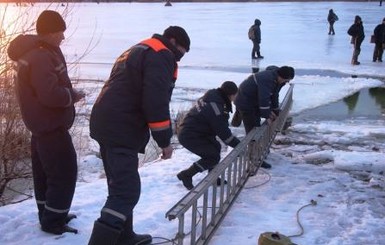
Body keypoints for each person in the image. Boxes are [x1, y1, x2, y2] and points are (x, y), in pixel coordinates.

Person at [88, 26, 190, 245]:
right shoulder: (162, 55)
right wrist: (164, 141)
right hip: (121, 126)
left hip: (106, 121)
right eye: (182, 50)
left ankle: (125, 237)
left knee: (120, 187)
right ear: (173, 41)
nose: (180, 57)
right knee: (126, 191)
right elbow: (155, 100)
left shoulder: (139, 48)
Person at [7, 10, 85, 234]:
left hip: (41, 127)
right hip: (50, 126)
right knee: (64, 173)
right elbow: (50, 95)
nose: (63, 37)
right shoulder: (40, 56)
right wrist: (73, 95)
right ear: (50, 32)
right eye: (60, 32)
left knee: (45, 175)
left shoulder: (35, 52)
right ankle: (53, 221)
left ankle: (49, 214)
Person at [176, 81, 240, 190]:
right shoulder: (216, 107)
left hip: (196, 131)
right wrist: (240, 146)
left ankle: (213, 178)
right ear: (230, 95)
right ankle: (186, 175)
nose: (235, 98)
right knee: (212, 156)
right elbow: (224, 134)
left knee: (216, 147)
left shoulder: (214, 97)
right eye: (235, 96)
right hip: (190, 135)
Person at [232, 66, 295, 168]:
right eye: (286, 80)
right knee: (254, 131)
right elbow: (264, 99)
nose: (286, 83)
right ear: (282, 76)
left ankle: (258, 151)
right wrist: (267, 116)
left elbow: (274, 95)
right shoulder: (267, 79)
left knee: (256, 126)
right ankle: (254, 159)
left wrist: (275, 110)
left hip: (253, 101)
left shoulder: (277, 80)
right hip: (246, 103)